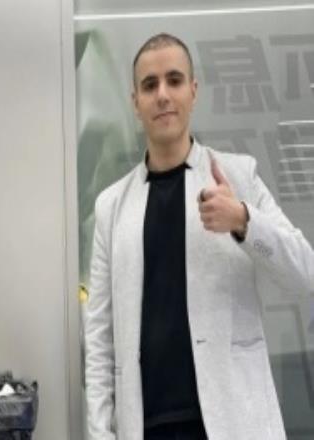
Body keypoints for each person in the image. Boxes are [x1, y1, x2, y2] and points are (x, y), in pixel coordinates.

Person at [84, 32, 314, 440]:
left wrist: (244, 221)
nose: (163, 95)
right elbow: (100, 339)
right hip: (146, 426)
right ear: (135, 102)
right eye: (150, 85)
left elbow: (304, 274)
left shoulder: (238, 176)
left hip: (234, 423)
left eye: (174, 80)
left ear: (193, 91)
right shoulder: (111, 207)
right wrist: (101, 433)